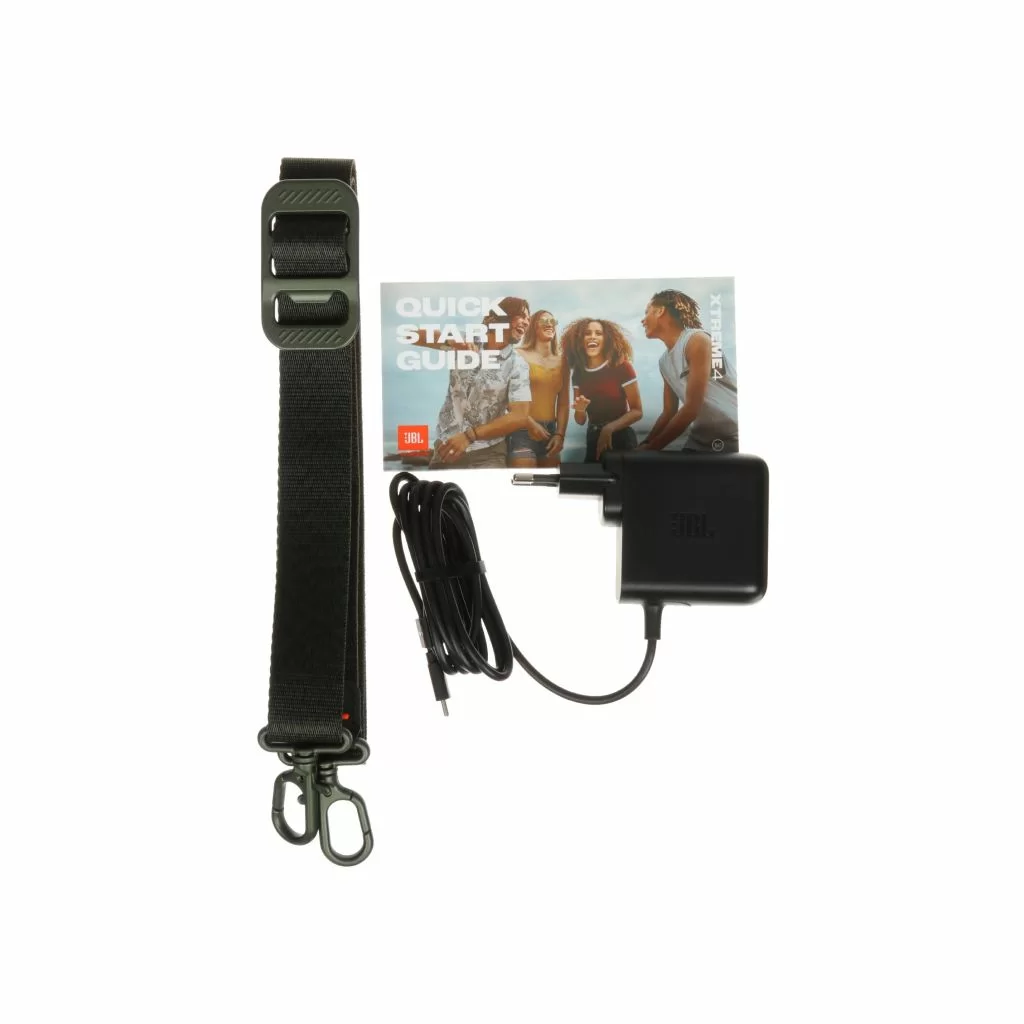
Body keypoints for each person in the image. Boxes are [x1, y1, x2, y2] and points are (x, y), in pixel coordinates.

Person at [421, 297, 533, 468]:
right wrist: (450, 341)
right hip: (445, 448)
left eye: (528, 320)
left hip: (488, 454)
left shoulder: (518, 364)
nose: (526, 322)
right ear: (503, 316)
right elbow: (412, 336)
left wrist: (469, 436)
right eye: (522, 316)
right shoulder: (466, 339)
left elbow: (520, 415)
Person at [639, 290, 738, 453]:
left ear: (660, 311)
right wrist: (645, 443)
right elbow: (669, 412)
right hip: (698, 441)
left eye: (647, 312)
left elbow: (692, 407)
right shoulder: (663, 362)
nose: (643, 320)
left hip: (733, 439)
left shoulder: (697, 340)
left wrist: (651, 448)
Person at [561, 318, 643, 462]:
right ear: (579, 341)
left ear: (607, 340)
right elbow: (580, 420)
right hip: (593, 438)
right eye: (587, 333)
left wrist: (609, 429)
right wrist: (580, 409)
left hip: (622, 438)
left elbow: (637, 411)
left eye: (598, 333)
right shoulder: (578, 373)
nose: (592, 336)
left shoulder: (622, 367)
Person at [507, 310, 569, 468]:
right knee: (525, 481)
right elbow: (505, 398)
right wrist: (530, 423)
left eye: (552, 321)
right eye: (543, 321)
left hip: (551, 434)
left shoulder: (563, 361)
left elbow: (563, 403)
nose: (549, 324)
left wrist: (560, 434)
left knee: (549, 483)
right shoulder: (518, 355)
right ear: (533, 327)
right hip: (522, 429)